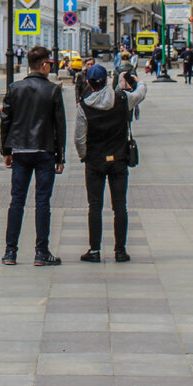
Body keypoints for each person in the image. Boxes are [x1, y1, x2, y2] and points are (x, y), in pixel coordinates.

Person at [0, 45, 65, 267]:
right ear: (44, 65)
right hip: (45, 151)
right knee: (42, 202)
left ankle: (10, 252)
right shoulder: (53, 90)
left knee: (16, 200)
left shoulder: (15, 88)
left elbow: (6, 120)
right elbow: (60, 126)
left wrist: (6, 151)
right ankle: (41, 252)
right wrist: (60, 157)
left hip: (20, 151)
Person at [76, 64, 147, 263]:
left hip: (95, 161)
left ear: (89, 83)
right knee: (120, 206)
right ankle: (120, 250)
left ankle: (94, 250)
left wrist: (84, 156)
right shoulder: (123, 99)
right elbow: (142, 92)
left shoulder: (84, 106)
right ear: (106, 81)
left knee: (95, 206)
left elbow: (79, 138)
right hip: (119, 160)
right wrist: (134, 81)